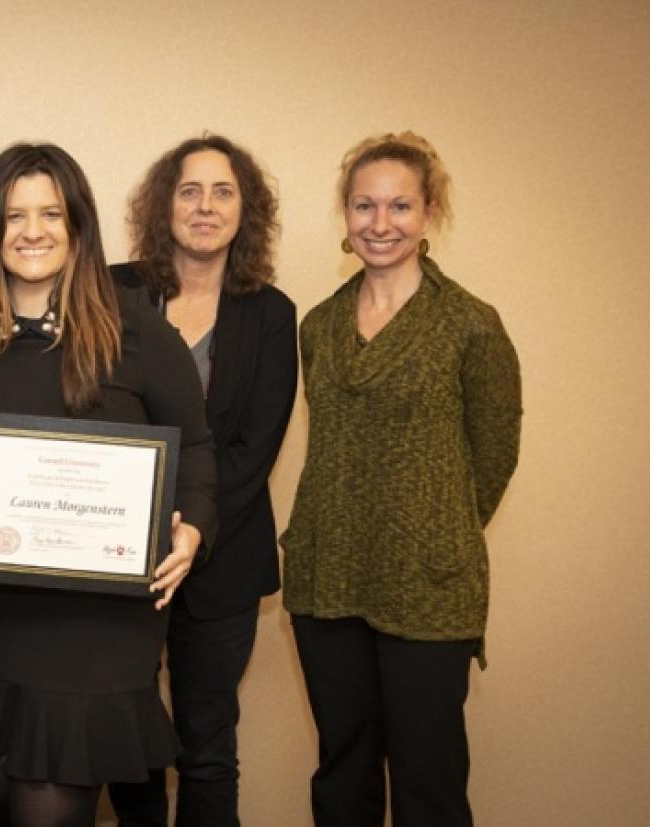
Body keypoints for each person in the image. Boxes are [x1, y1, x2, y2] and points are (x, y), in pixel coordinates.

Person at [0, 142, 218, 827]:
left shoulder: (137, 329)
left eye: (52, 212)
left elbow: (195, 447)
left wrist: (191, 526)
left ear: (79, 225)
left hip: (95, 633)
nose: (33, 230)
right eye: (14, 215)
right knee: (0, 800)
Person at [280, 132, 522, 827]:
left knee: (428, 779)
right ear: (345, 213)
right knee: (344, 772)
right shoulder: (319, 326)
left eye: (399, 206)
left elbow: (493, 456)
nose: (379, 223)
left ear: (429, 212)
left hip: (429, 585)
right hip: (327, 579)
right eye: (364, 205)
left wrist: (427, 528)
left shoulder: (470, 325)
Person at [105, 135, 298, 827]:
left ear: (247, 210)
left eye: (223, 192)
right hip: (115, 560)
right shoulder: (112, 288)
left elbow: (253, 450)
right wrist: (133, 531)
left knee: (208, 747)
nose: (206, 206)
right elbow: (83, 409)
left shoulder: (271, 313)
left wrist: (191, 530)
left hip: (220, 563)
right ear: (165, 204)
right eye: (190, 190)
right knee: (126, 743)